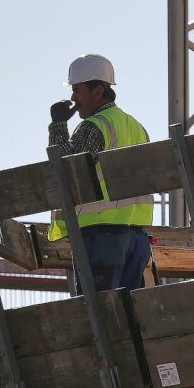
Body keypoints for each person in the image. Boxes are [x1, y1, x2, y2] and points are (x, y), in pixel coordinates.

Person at [46, 54, 154, 293]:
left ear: (97, 91)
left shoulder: (95, 125)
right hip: (136, 239)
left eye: (77, 90)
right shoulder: (136, 127)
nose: (73, 97)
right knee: (129, 316)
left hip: (102, 238)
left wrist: (58, 126)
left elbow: (67, 172)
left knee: (98, 315)